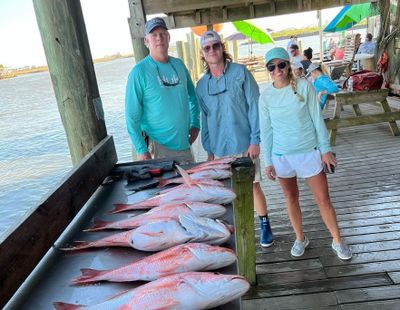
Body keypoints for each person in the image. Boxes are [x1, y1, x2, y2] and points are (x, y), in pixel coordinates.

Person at [259, 47, 352, 260]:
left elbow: (317, 120)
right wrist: (268, 161)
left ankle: (338, 240)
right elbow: (266, 131)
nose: (277, 70)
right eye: (271, 67)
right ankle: (300, 238)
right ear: (268, 70)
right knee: (290, 198)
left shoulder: (303, 86)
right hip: (281, 157)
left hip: (308, 152)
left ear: (288, 65)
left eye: (281, 64)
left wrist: (325, 151)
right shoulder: (265, 97)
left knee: (323, 199)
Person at [196, 31, 274, 248]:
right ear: (202, 54)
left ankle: (265, 223)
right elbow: (204, 117)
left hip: (245, 143)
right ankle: (234, 228)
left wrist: (255, 140)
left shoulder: (241, 72)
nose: (212, 50)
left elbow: (255, 107)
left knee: (254, 186)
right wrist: (208, 148)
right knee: (225, 191)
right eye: (207, 48)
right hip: (219, 147)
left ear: (222, 48)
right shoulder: (201, 85)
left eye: (215, 45)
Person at [125, 17, 200, 163]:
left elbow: (193, 97)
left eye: (162, 33)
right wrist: (141, 150)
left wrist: (196, 124)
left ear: (168, 37)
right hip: (156, 147)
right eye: (153, 35)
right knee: (164, 186)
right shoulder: (138, 72)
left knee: (190, 184)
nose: (159, 38)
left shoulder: (179, 65)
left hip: (184, 145)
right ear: (146, 41)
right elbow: (131, 117)